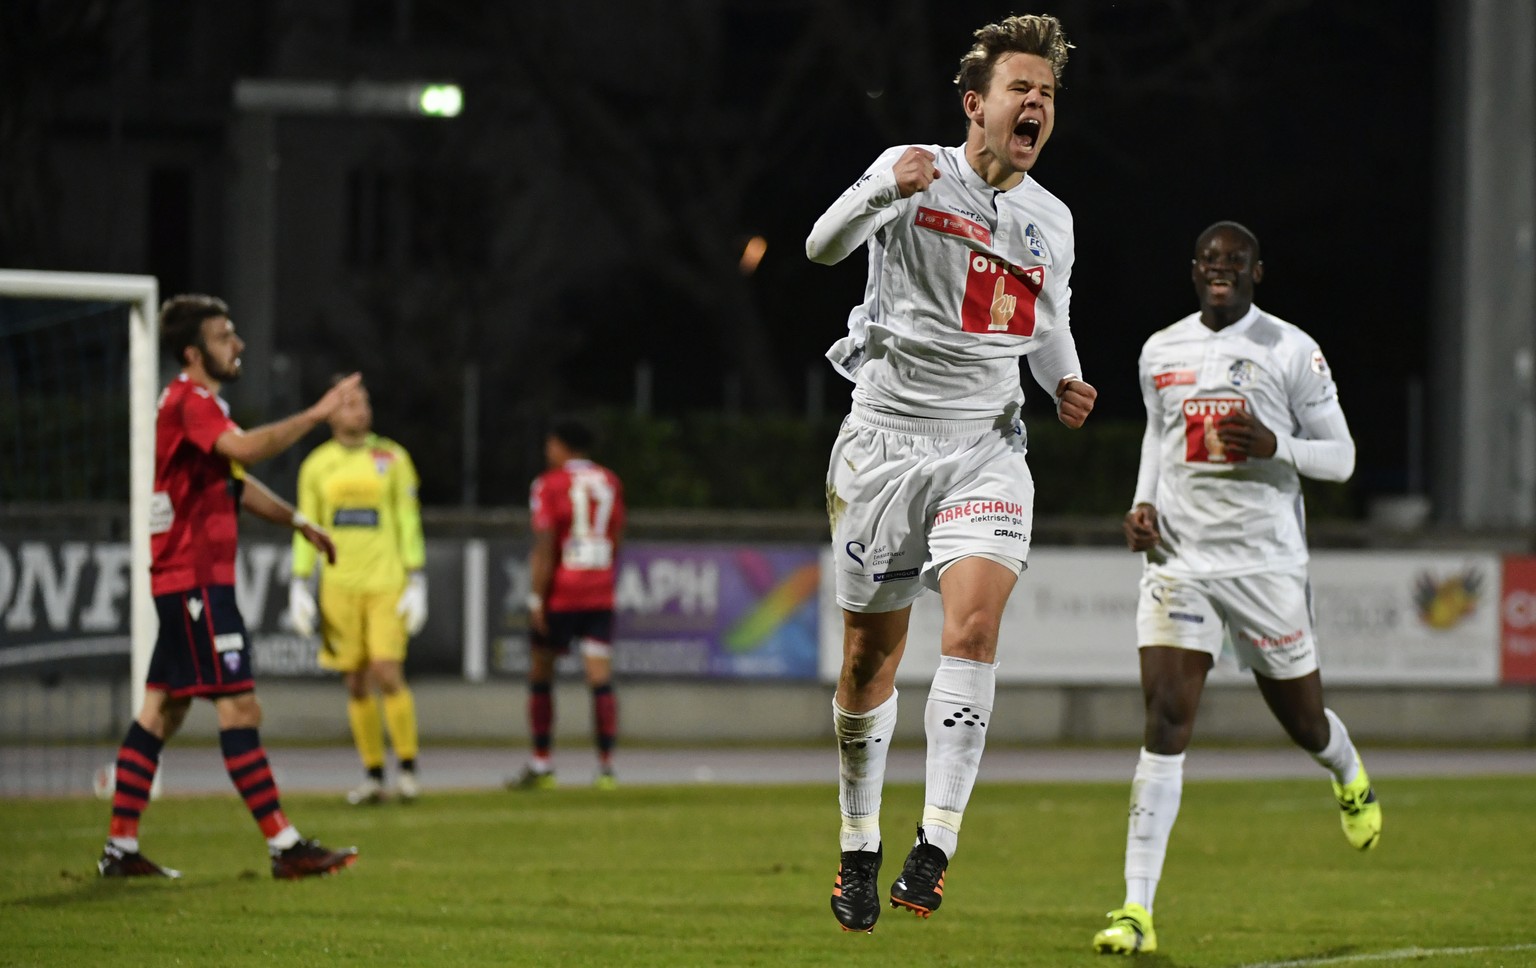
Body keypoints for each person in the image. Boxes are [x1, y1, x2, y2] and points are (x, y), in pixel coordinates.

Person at [806, 13, 1097, 933]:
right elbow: (821, 247)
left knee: (972, 628)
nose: (1036, 105)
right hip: (885, 445)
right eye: (1021, 89)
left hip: (986, 444)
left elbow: (1045, 323)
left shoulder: (1051, 219)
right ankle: (859, 844)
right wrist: (878, 190)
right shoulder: (912, 167)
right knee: (868, 658)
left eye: (1047, 94)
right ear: (976, 104)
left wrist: (1066, 381)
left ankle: (934, 844)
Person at [1091, 222, 1381, 955]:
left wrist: (1276, 444)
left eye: (1236, 261)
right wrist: (1142, 505)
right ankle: (1135, 911)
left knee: (1305, 723)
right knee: (1164, 721)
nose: (1222, 269)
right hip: (1180, 562)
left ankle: (1346, 771)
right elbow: (1158, 436)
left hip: (1265, 568)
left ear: (1258, 271)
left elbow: (1343, 459)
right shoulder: (1162, 350)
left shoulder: (1291, 350)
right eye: (1211, 261)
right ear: (1194, 271)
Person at [98, 293, 361, 880]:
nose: (238, 345)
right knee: (240, 705)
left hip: (185, 581)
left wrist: (298, 522)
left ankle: (120, 848)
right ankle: (285, 846)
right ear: (193, 352)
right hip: (194, 583)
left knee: (160, 713)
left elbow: (234, 483)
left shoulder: (198, 408)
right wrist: (316, 416)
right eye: (224, 337)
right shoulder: (192, 402)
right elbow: (244, 450)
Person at [288, 375, 427, 806]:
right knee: (355, 681)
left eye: (363, 401)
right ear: (330, 411)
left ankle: (407, 769)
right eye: (348, 403)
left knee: (387, 670)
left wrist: (417, 576)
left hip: (386, 581)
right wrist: (299, 582)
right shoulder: (316, 465)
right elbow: (306, 526)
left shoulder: (392, 457)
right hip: (339, 584)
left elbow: (407, 518)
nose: (359, 410)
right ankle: (372, 774)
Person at [511, 419, 626, 790]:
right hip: (600, 590)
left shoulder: (549, 483)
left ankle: (542, 764)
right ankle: (606, 768)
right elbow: (617, 534)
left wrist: (535, 598)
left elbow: (545, 543)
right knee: (600, 677)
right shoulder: (610, 481)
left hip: (563, 592)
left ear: (560, 445)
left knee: (541, 672)